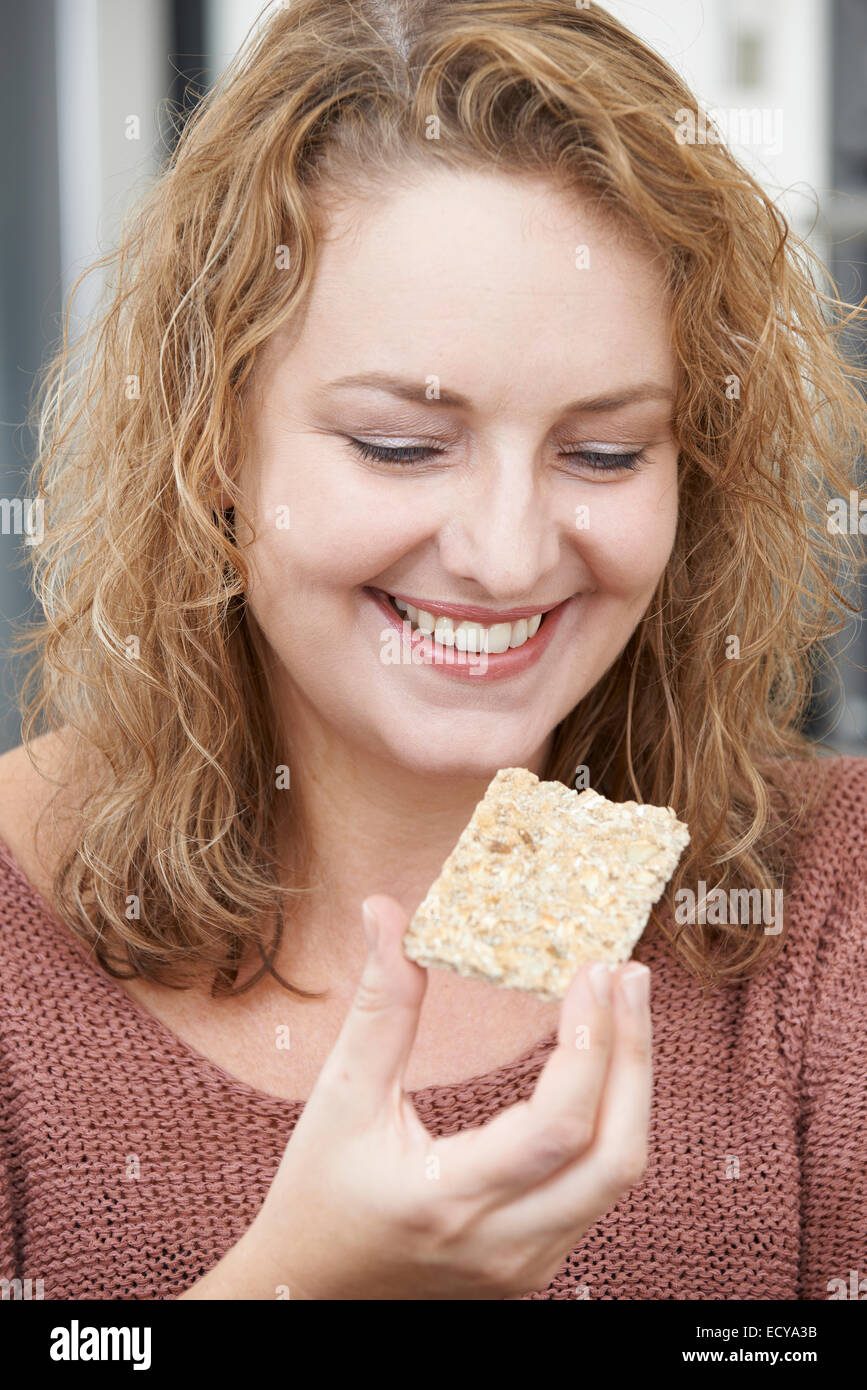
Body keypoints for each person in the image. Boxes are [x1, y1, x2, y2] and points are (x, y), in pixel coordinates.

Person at [1, 0, 865, 1301]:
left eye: (605, 451)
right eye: (402, 444)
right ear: (216, 451)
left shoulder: (833, 912)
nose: (509, 555)